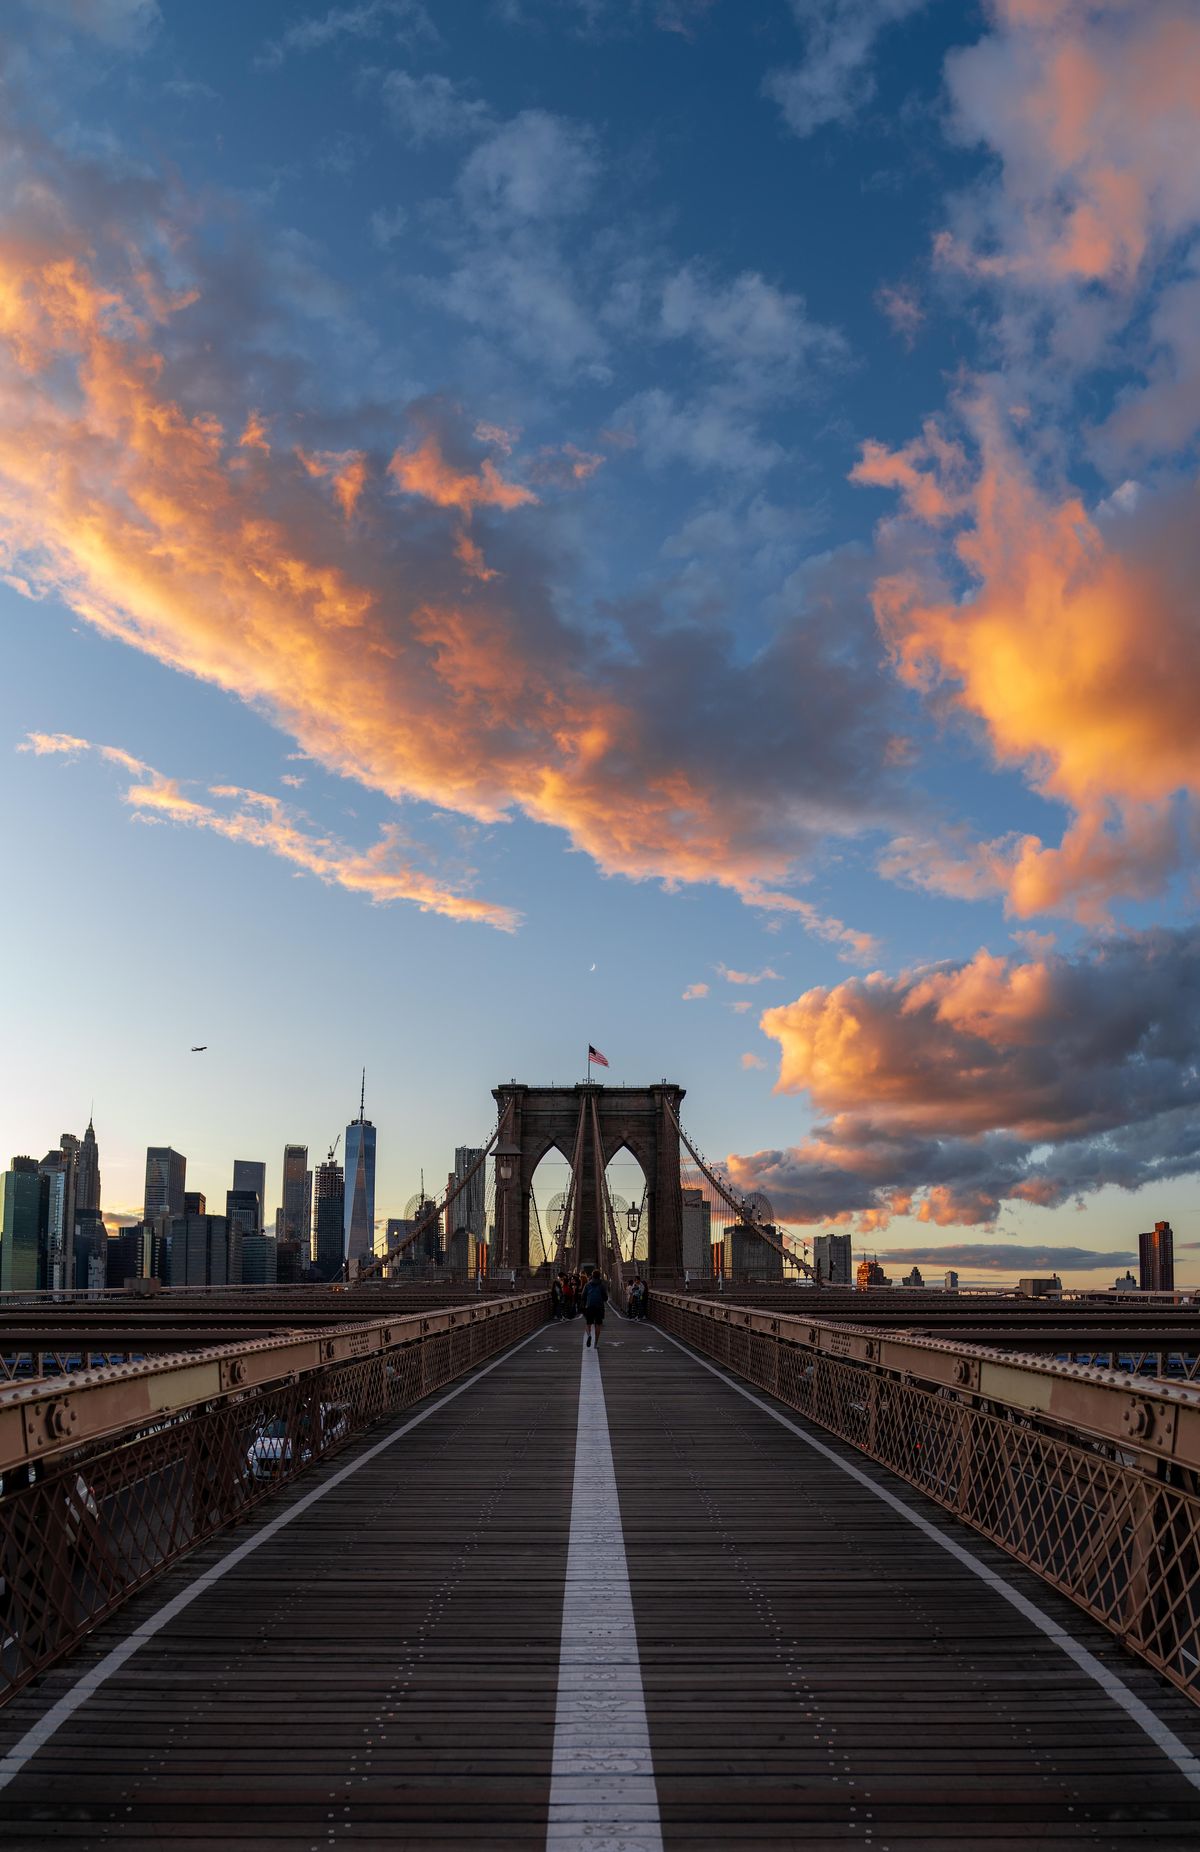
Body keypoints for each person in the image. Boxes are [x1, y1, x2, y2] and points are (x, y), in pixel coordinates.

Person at [581, 1267, 608, 1347]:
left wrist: (584, 1305)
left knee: (588, 1323)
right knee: (598, 1324)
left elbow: (583, 1296)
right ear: (599, 1276)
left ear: (592, 1276)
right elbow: (605, 1298)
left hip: (589, 1306)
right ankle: (595, 1344)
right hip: (599, 1307)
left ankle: (589, 1335)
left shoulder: (587, 1285)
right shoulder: (601, 1285)